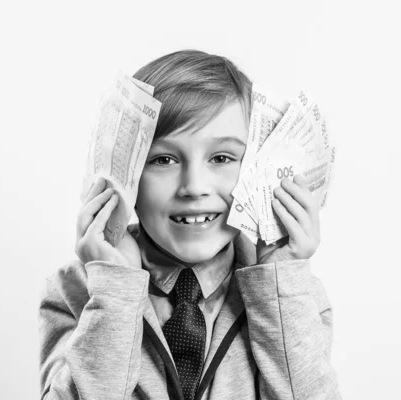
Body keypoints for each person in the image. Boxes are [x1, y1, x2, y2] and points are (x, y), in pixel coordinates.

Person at [39, 50, 341, 400]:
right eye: (163, 159)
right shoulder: (74, 291)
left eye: (222, 158)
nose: (194, 186)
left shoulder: (292, 294)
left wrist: (278, 285)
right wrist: (114, 292)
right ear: (127, 174)